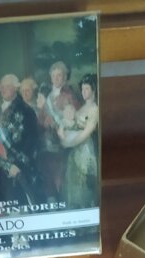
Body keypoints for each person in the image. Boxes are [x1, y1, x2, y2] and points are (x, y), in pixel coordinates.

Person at [0, 73, 39, 207]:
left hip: (20, 167)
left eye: (6, 86)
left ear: (15, 88)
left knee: (28, 204)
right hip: (1, 166)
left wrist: (18, 164)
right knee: (10, 207)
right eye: (1, 87)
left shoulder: (26, 110)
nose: (2, 89)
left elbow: (32, 140)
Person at [37, 61, 80, 201]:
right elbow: (40, 120)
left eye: (59, 75)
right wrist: (44, 123)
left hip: (63, 147)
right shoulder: (48, 97)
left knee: (62, 180)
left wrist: (58, 124)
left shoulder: (70, 96)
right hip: (47, 146)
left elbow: (75, 120)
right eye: (53, 75)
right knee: (48, 179)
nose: (56, 78)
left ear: (65, 77)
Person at [57, 73, 99, 209]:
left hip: (86, 149)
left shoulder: (95, 109)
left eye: (87, 89)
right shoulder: (80, 108)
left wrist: (69, 143)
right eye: (82, 89)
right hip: (74, 151)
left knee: (85, 185)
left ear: (93, 89)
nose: (83, 92)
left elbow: (87, 132)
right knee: (73, 184)